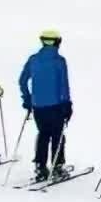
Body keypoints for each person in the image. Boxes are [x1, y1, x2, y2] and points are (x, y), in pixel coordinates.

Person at [18, 29, 73, 182]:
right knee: (58, 135)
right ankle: (57, 166)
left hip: (38, 106)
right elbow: (64, 85)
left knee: (43, 134)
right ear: (57, 42)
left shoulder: (33, 59)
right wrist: (67, 104)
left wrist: (27, 99)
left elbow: (22, 80)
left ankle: (40, 166)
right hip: (56, 106)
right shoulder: (59, 61)